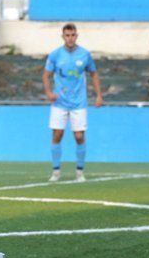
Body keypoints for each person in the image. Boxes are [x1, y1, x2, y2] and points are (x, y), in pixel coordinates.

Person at [42, 23, 103, 183]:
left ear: (77, 36)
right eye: (67, 35)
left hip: (79, 103)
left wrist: (98, 96)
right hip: (59, 102)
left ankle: (79, 172)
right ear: (63, 37)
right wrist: (49, 92)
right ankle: (56, 172)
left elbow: (94, 74)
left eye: (73, 35)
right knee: (57, 134)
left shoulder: (84, 55)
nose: (70, 38)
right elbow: (46, 75)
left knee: (79, 136)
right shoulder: (55, 55)